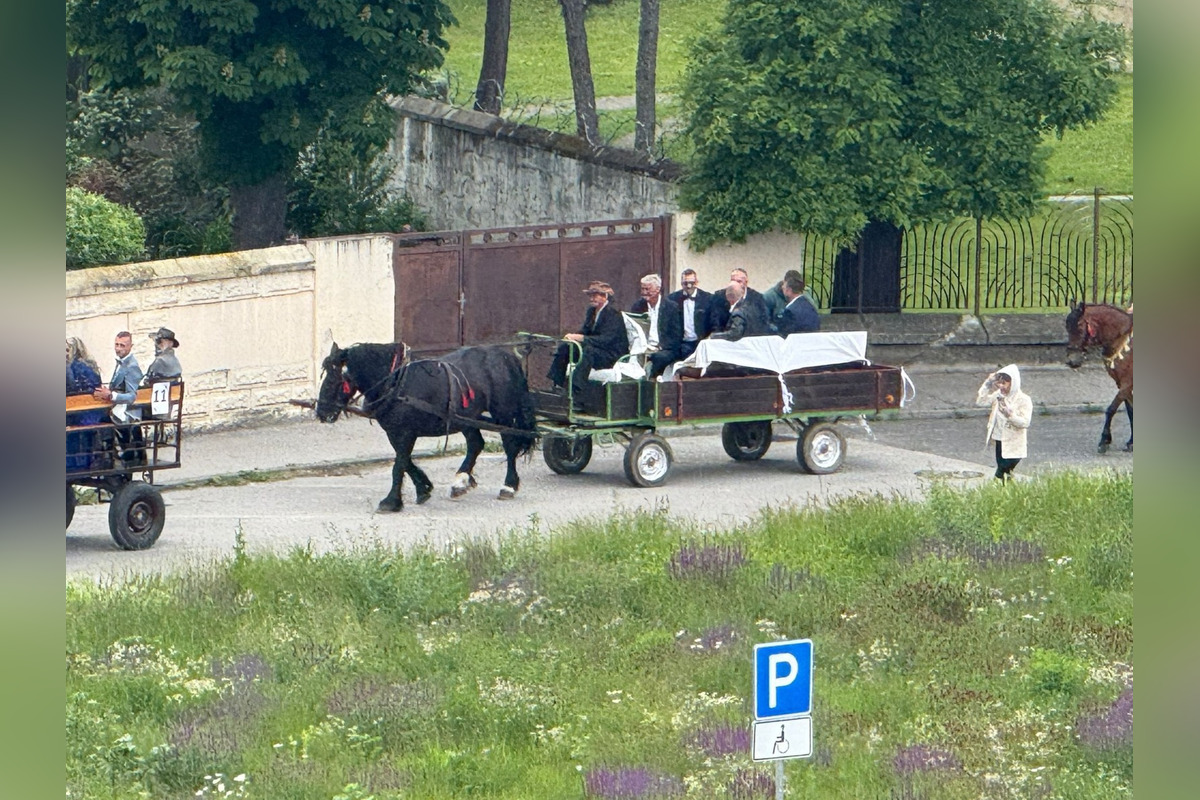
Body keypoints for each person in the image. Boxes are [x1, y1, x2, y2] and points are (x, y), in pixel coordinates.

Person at [546, 281, 630, 409]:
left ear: (604, 296)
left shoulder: (613, 314)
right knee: (566, 348)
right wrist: (573, 337)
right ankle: (557, 384)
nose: (591, 299)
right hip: (595, 349)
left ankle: (575, 392)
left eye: (595, 295)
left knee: (588, 352)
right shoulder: (591, 311)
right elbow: (585, 331)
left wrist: (582, 338)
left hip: (610, 354)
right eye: (590, 296)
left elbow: (607, 340)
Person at [93, 330, 146, 466]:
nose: (118, 349)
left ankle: (110, 458)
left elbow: (131, 396)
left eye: (122, 346)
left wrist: (111, 395)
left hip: (126, 413)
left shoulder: (131, 366)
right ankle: (108, 456)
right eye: (117, 345)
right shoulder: (121, 363)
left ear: (130, 347)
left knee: (100, 422)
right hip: (118, 409)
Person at [976, 365, 1032, 481]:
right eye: (999, 383)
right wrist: (988, 384)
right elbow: (981, 401)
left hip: (1014, 442)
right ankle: (1008, 492)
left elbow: (1025, 422)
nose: (1001, 386)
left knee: (1002, 472)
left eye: (1004, 383)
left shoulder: (1024, 400)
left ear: (1013, 383)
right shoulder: (998, 395)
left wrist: (1011, 416)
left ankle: (997, 490)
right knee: (1006, 473)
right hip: (999, 438)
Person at [630, 274, 684, 378]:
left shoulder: (671, 307)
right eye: (642, 289)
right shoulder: (638, 306)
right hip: (643, 347)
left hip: (664, 348)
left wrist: (660, 347)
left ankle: (650, 381)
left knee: (659, 358)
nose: (644, 292)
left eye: (648, 289)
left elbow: (676, 335)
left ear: (658, 289)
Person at [66, 337, 105, 471]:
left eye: (67, 349)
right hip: (94, 409)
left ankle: (72, 465)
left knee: (72, 433)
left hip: (83, 411)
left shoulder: (75, 366)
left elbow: (73, 389)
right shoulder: (91, 364)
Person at [666, 269, 715, 360]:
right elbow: (667, 324)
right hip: (681, 343)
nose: (688, 286)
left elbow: (714, 321)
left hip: (702, 342)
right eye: (685, 283)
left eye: (691, 283)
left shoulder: (708, 299)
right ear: (681, 283)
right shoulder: (672, 299)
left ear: (696, 283)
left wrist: (709, 339)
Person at [707, 268, 769, 333]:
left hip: (748, 336)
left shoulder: (757, 297)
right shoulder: (719, 296)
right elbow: (715, 320)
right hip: (724, 336)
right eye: (733, 280)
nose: (735, 284)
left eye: (739, 281)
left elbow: (763, 319)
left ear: (746, 282)